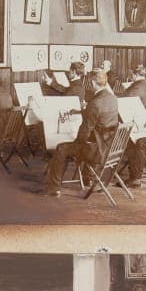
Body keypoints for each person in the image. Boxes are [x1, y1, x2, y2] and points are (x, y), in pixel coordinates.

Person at [40, 70, 120, 198]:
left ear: (93, 83)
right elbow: (99, 115)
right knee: (72, 144)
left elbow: (85, 132)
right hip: (108, 146)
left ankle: (53, 188)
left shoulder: (95, 103)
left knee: (61, 148)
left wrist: (75, 141)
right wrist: (81, 111)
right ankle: (87, 177)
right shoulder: (112, 98)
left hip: (95, 151)